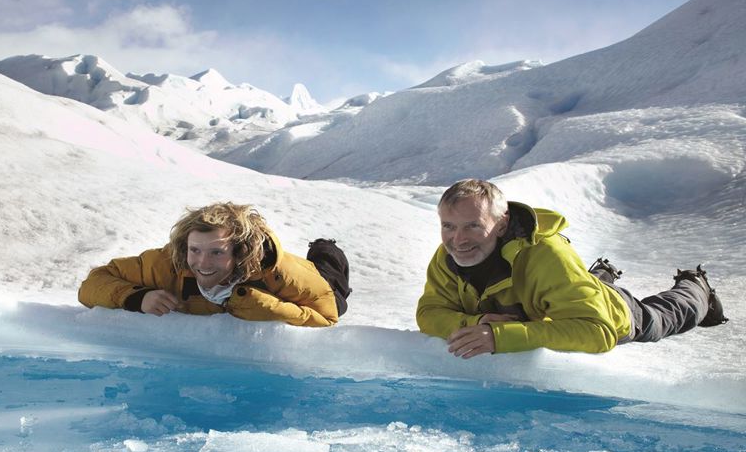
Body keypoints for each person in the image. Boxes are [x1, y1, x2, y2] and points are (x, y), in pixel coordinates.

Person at [416, 179, 728, 358]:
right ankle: (597, 276)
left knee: (664, 317)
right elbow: (429, 313)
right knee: (572, 288)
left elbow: (597, 331)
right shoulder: (447, 257)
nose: (458, 240)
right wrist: (479, 320)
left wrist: (500, 337)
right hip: (559, 298)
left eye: (473, 225)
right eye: (448, 226)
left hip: (614, 314)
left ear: (502, 224)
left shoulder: (547, 255)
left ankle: (696, 287)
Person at [79, 202, 351, 327]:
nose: (202, 263)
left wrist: (266, 308)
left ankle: (326, 248)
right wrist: (137, 297)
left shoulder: (276, 272)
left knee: (332, 280)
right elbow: (92, 284)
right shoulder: (168, 263)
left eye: (216, 253)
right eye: (195, 250)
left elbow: (328, 316)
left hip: (318, 284)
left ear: (239, 252)